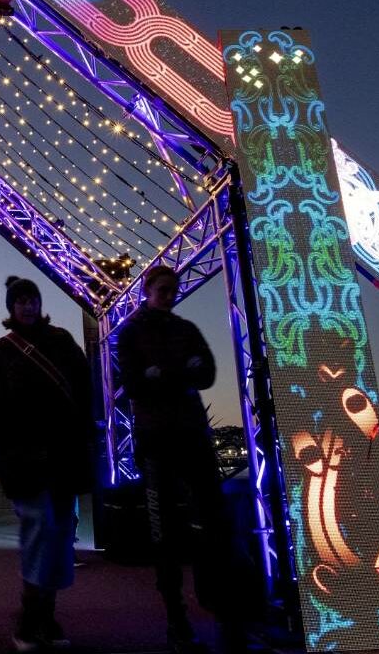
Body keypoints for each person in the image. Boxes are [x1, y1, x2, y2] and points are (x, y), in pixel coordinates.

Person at [116, 265, 246, 654]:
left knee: (214, 522)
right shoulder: (131, 332)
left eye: (173, 289)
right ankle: (177, 620)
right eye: (163, 289)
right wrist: (176, 373)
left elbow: (206, 372)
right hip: (157, 438)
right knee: (166, 531)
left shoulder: (185, 328)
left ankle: (222, 608)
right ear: (147, 290)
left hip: (192, 434)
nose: (170, 295)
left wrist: (164, 375)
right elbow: (135, 383)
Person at [0, 276, 96, 651]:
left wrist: (83, 439)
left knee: (59, 531)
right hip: (23, 456)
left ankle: (45, 613)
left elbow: (85, 390)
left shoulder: (62, 342)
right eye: (21, 300)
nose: (28, 306)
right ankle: (33, 614)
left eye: (33, 300)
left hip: (62, 454)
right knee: (40, 526)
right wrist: (2, 449)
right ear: (11, 307)